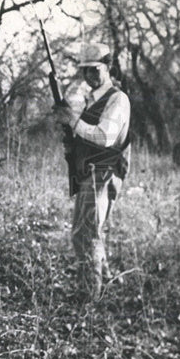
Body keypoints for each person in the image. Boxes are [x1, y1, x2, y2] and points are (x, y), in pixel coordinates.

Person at [52, 42, 131, 299]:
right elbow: (85, 136)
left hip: (104, 172)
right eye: (85, 71)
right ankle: (105, 282)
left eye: (95, 70)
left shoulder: (118, 99)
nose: (90, 76)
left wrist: (72, 121)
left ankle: (89, 296)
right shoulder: (91, 100)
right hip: (91, 172)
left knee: (85, 234)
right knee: (89, 230)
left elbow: (105, 136)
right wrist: (71, 141)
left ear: (108, 67)